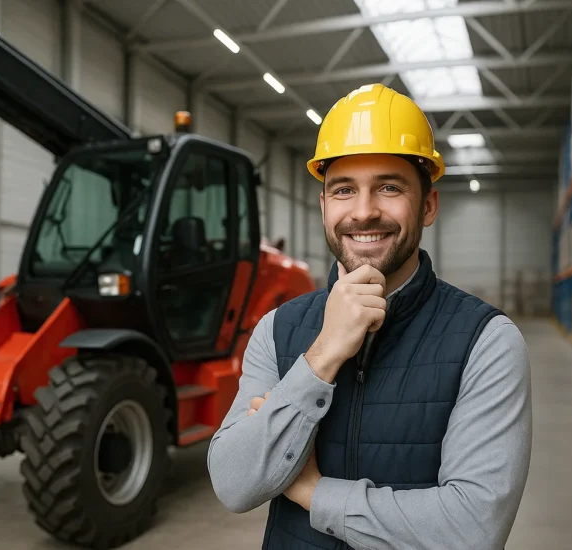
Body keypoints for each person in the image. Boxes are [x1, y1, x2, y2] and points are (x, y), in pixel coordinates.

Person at [206, 83, 532, 550]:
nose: (363, 211)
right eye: (343, 190)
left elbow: (472, 532)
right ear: (323, 208)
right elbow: (234, 486)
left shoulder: (486, 341)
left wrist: (312, 491)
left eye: (389, 187)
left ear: (429, 205)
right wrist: (321, 357)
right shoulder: (277, 330)